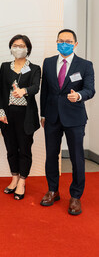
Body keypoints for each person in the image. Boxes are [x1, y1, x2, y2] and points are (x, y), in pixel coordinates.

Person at [40, 29, 95, 215]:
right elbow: (45, 91)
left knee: (77, 158)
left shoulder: (85, 65)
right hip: (52, 117)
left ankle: (76, 196)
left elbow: (90, 89)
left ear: (75, 44)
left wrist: (79, 95)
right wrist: (43, 115)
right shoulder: (48, 63)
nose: (65, 43)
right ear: (56, 42)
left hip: (75, 118)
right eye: (61, 40)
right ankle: (53, 190)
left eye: (68, 41)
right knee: (51, 155)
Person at [0, 35, 41, 200]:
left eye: (21, 45)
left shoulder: (35, 68)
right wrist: (0, 111)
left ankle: (22, 181)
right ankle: (14, 178)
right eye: (15, 45)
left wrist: (24, 91)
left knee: (25, 149)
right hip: (7, 115)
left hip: (25, 115)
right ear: (10, 48)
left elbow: (36, 86)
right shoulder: (5, 66)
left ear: (27, 48)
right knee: (11, 148)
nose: (18, 48)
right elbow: (0, 90)